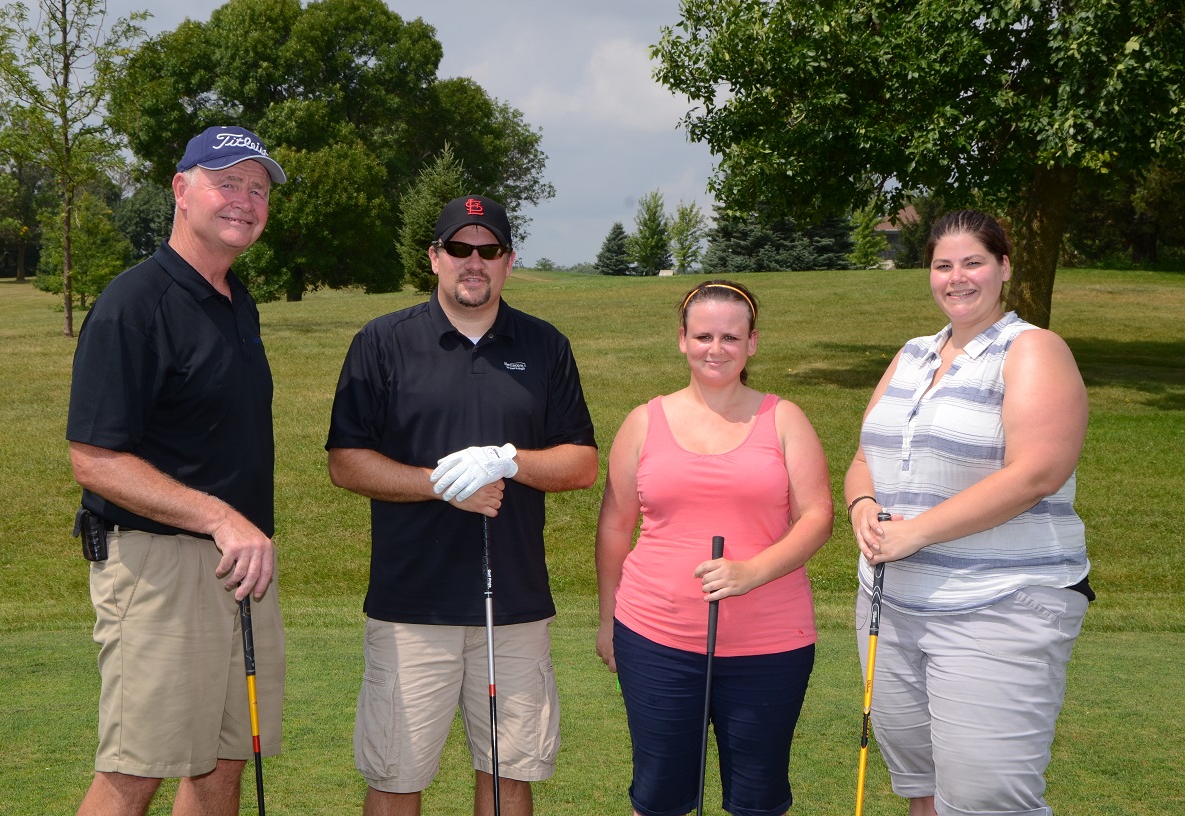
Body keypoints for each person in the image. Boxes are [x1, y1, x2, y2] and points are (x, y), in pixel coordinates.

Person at [326, 194, 598, 816]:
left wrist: (510, 460)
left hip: (516, 607)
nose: (473, 262)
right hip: (410, 607)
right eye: (458, 248)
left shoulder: (545, 345)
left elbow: (582, 462)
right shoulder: (383, 342)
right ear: (434, 257)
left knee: (508, 777)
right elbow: (345, 461)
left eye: (489, 250)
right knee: (396, 778)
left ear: (507, 261)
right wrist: (438, 482)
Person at [66, 125, 287, 816]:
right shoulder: (136, 303)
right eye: (227, 183)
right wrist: (221, 517)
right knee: (138, 770)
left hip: (238, 572)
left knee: (221, 762)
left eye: (258, 189)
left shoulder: (234, 301)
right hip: (160, 570)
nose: (245, 200)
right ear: (181, 189)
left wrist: (235, 531)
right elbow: (95, 458)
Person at [844, 209, 1092, 816]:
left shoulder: (1031, 349)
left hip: (1001, 605)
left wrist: (916, 534)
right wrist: (862, 506)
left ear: (1004, 267)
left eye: (973, 262)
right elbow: (864, 455)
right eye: (942, 264)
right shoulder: (912, 355)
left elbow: (1038, 473)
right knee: (920, 789)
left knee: (985, 801)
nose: (957, 277)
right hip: (892, 604)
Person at [596, 279, 834, 816]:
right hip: (654, 637)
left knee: (756, 800)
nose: (716, 348)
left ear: (752, 343)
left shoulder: (784, 418)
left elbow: (817, 517)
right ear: (682, 340)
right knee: (658, 798)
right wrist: (608, 619)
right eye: (703, 335)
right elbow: (614, 528)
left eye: (731, 336)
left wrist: (752, 571)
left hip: (769, 645)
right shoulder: (643, 421)